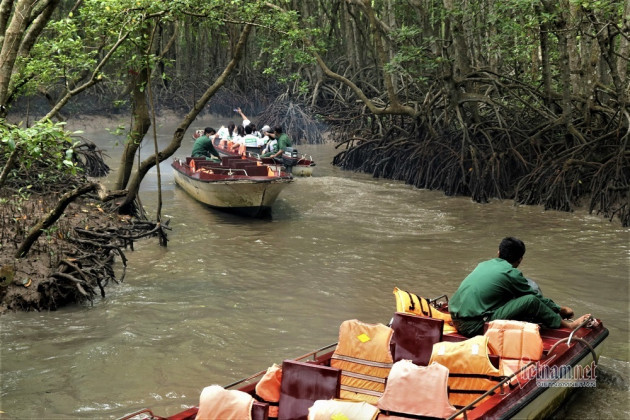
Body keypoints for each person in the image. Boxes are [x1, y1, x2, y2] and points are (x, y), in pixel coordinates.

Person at [448, 237, 593, 337]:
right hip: (473, 326)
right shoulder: (511, 273)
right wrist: (560, 309)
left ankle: (554, 318)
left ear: (498, 253)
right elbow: (534, 298)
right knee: (530, 300)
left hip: (455, 318)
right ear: (520, 260)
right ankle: (569, 326)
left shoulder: (484, 264)